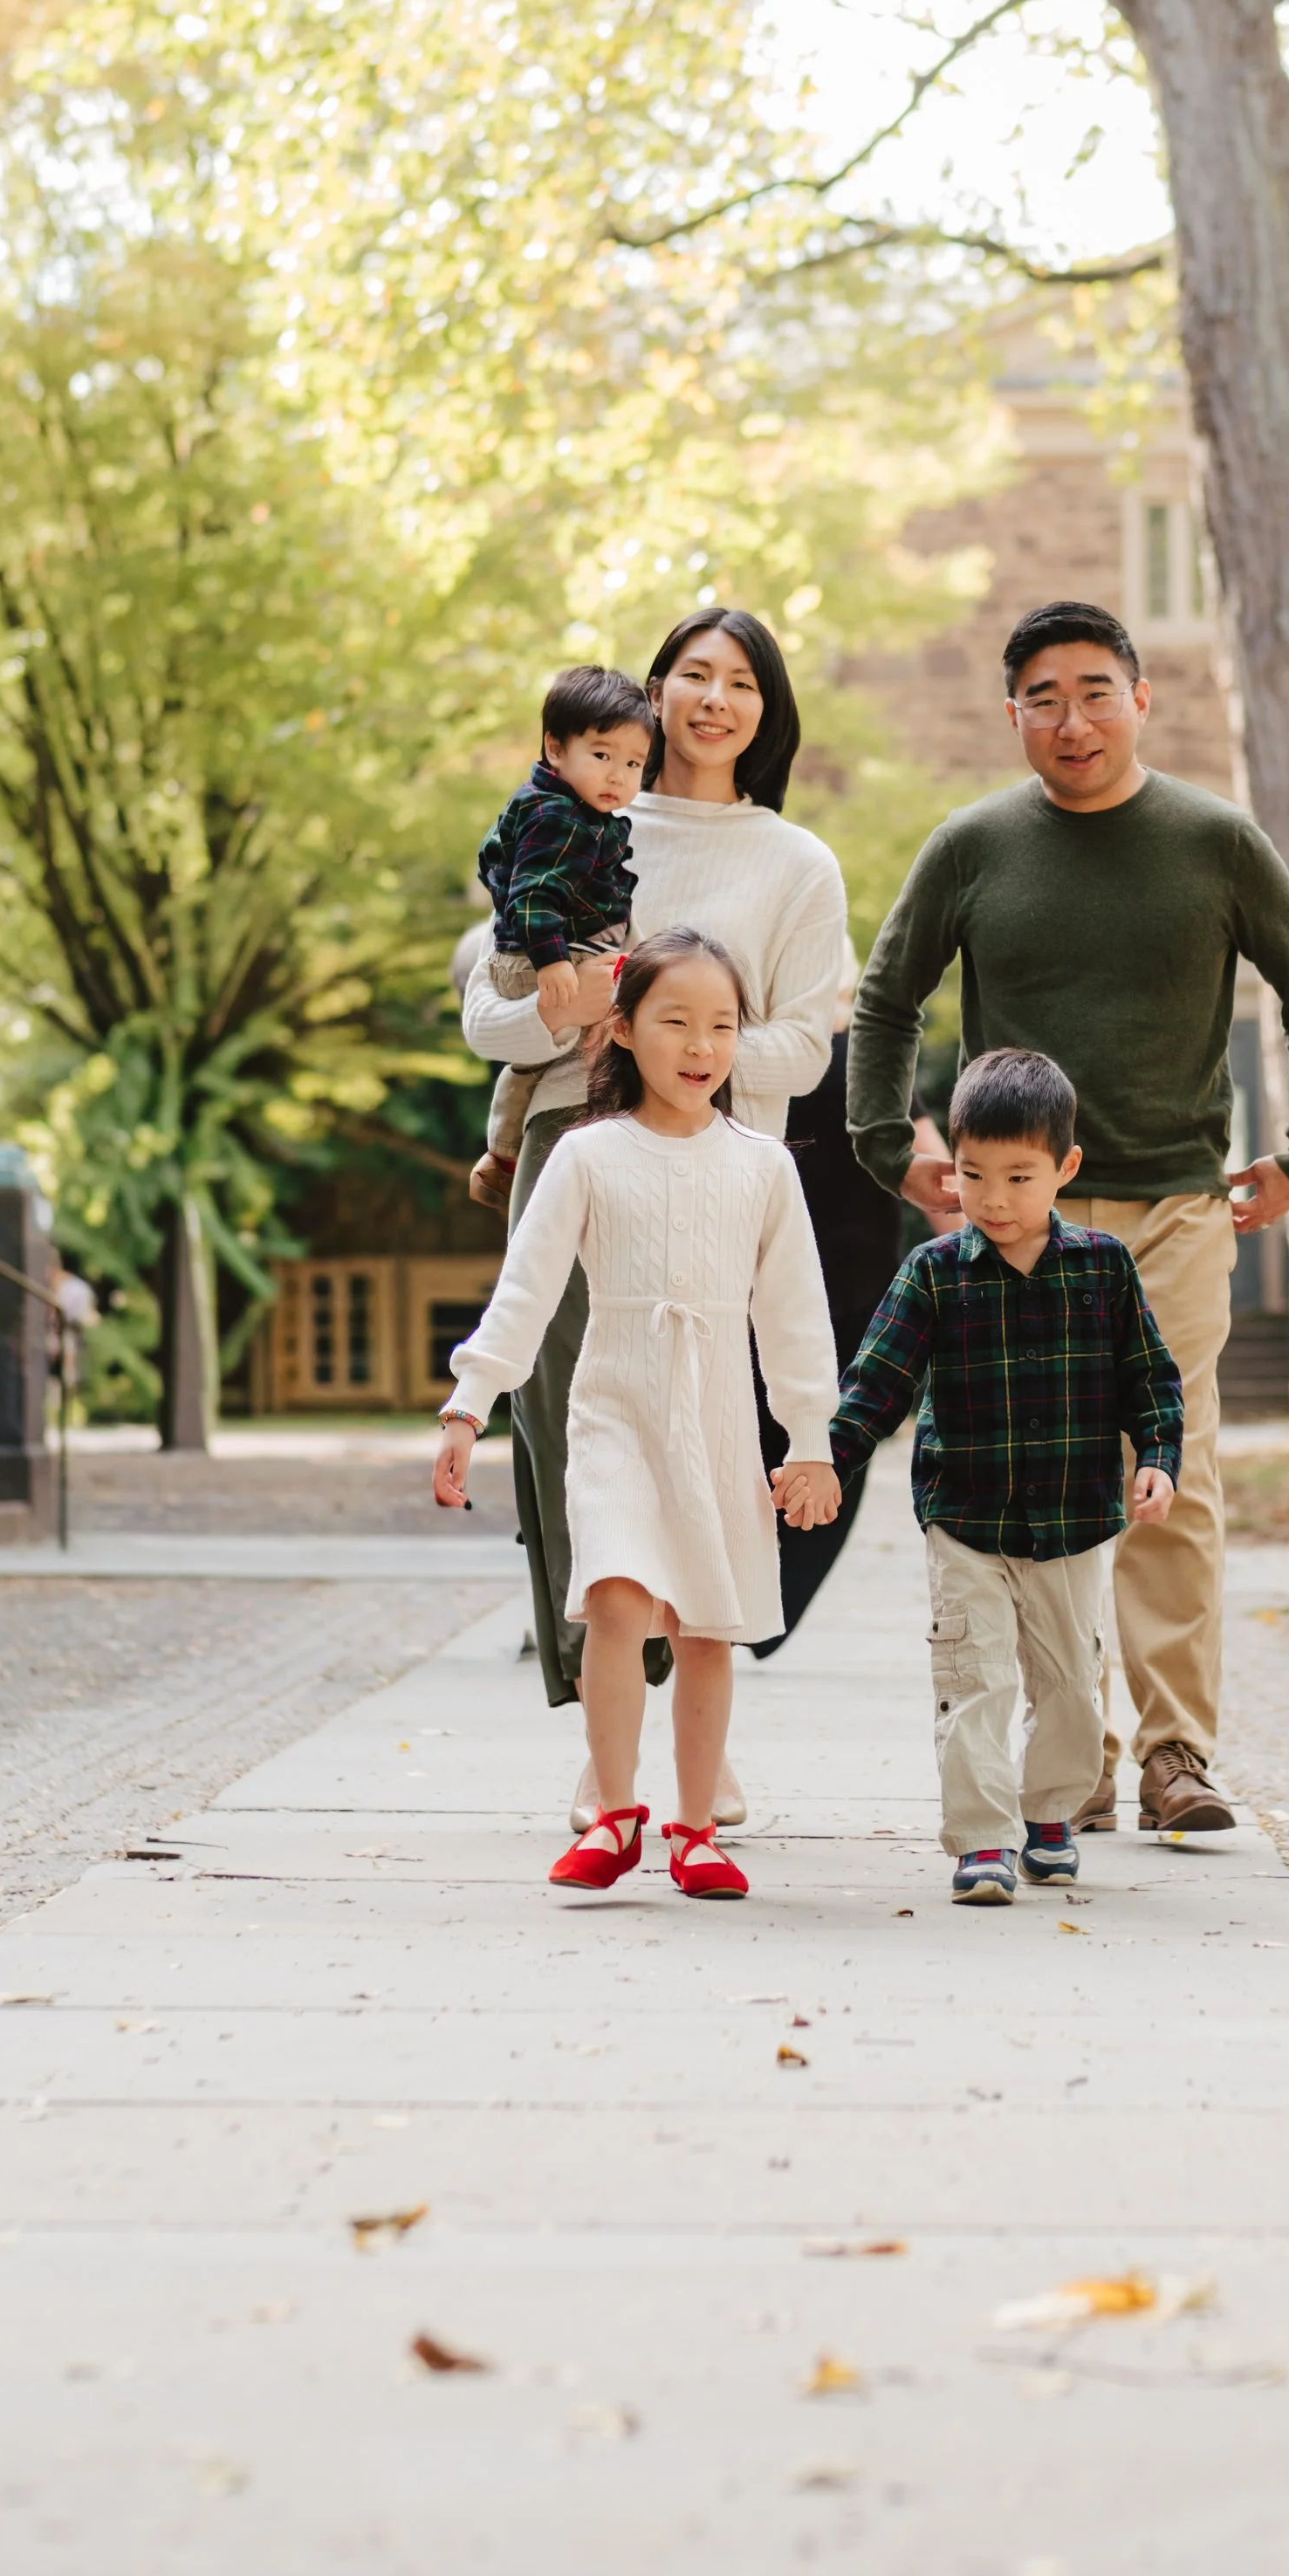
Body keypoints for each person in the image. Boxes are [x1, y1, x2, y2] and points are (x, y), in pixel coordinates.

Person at [847, 599, 1289, 1837]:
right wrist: (889, 1140)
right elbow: (887, 997)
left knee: (1163, 1468)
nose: (1070, 719)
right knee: (1041, 1478)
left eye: (1092, 691)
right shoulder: (973, 846)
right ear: (1013, 712)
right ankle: (1076, 1755)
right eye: (1041, 697)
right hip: (1016, 1223)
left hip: (1177, 1207)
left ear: (1139, 698)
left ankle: (1176, 1751)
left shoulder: (1215, 840)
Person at [459, 607, 848, 1809]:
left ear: (767, 710)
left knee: (697, 1445)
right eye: (692, 674)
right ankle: (606, 1741)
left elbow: (807, 1043)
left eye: (740, 681)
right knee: (573, 1441)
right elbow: (487, 1018)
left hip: (714, 1177)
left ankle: (697, 1732)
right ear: (656, 690)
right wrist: (579, 1019)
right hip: (577, 1152)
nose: (713, 699)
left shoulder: (796, 863)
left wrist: (689, 1049)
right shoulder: (574, 817)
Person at [434, 930, 840, 1896]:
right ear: (620, 1031)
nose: (700, 1046)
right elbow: (525, 1292)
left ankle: (695, 1829)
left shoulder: (763, 1166)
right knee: (616, 1599)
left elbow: (793, 1318)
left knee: (704, 1624)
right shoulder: (586, 1157)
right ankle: (614, 1814)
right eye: (675, 1022)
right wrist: (468, 1405)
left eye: (721, 1026)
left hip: (716, 1416)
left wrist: (812, 1440)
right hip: (613, 1403)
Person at [830, 1047, 1183, 1905]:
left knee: (1069, 1680)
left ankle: (1051, 1814)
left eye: (1019, 1177)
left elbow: (1151, 1378)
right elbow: (877, 1384)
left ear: (1064, 1169)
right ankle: (983, 1841)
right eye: (974, 1174)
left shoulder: (1103, 1269)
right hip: (965, 1515)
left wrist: (1159, 1460)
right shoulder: (934, 1274)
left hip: (1070, 1519)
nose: (992, 1199)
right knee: (974, 1679)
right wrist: (825, 1465)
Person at [751, 941, 958, 1654]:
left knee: (753, 1437)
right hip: (859, 1294)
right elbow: (943, 1184)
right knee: (839, 1446)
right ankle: (776, 1605)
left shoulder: (751, 1058)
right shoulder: (873, 1063)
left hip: (759, 1287)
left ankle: (738, 1596)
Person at [467, 666, 654, 1215]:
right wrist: (552, 965)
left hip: (548, 952)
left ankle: (500, 1157)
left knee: (534, 1065)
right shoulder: (560, 817)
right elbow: (531, 895)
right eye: (602, 755)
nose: (617, 775)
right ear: (555, 747)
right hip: (549, 957)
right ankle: (589, 1142)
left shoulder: (573, 810)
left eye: (633, 763)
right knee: (609, 1044)